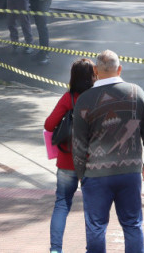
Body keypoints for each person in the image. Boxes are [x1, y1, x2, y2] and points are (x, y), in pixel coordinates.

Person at [73, 50, 144, 253]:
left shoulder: (84, 100)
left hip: (96, 176)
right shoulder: (137, 93)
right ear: (119, 69)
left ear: (95, 71)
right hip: (130, 173)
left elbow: (78, 143)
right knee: (132, 225)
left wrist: (82, 174)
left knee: (96, 228)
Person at [44, 58, 96, 253]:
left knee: (62, 203)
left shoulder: (69, 98)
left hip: (67, 161)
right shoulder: (98, 98)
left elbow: (49, 125)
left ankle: (56, 249)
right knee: (93, 208)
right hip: (93, 162)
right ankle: (92, 248)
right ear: (93, 76)